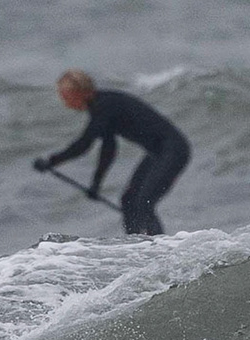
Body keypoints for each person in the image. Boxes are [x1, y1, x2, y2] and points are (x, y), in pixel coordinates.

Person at [33, 69, 191, 235]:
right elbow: (109, 148)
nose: (64, 102)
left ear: (80, 92)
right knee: (128, 201)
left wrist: (51, 161)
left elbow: (84, 144)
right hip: (158, 152)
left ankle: (158, 244)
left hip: (173, 150)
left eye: (66, 96)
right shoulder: (100, 107)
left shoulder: (105, 105)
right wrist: (96, 184)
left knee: (144, 202)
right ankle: (136, 243)